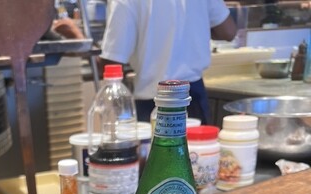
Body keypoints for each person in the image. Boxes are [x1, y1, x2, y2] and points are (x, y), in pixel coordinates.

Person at [98, 0, 237, 124]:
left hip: (152, 101)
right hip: (193, 96)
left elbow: (113, 60)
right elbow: (228, 31)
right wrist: (198, 27)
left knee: (154, 146)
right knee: (198, 145)